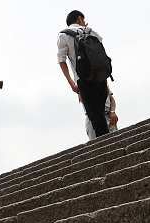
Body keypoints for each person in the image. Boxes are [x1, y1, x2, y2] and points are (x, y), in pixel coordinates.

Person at [58, 10, 110, 139]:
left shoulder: (63, 35)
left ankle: (106, 144)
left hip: (84, 79)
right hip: (101, 76)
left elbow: (61, 59)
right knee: (100, 112)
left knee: (94, 114)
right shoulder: (92, 32)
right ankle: (107, 140)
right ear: (80, 19)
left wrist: (71, 81)